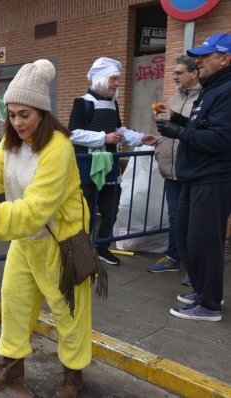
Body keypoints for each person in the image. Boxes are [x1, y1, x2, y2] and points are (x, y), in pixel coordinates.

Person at [0, 60, 90, 397]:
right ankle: (11, 367)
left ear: (41, 112)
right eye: (11, 114)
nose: (16, 122)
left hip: (61, 243)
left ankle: (73, 373)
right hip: (27, 243)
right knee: (13, 303)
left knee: (68, 313)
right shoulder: (12, 141)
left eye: (23, 114)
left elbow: (36, 208)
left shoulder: (58, 148)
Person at [157, 34, 231, 322]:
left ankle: (210, 305)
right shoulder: (213, 88)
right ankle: (203, 291)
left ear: (224, 59)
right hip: (196, 176)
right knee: (186, 237)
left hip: (212, 178)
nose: (198, 60)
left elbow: (221, 138)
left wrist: (178, 133)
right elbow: (204, 125)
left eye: (206, 55)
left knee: (204, 242)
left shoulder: (226, 90)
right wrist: (179, 120)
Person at [68, 57, 157, 266]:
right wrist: (103, 138)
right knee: (85, 211)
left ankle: (102, 248)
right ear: (101, 79)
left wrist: (141, 138)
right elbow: (72, 134)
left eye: (117, 79)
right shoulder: (82, 103)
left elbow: (119, 131)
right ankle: (82, 251)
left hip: (109, 165)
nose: (117, 83)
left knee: (111, 209)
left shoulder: (113, 103)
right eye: (113, 79)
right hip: (86, 165)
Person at [148, 55, 201, 285]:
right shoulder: (175, 97)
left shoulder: (204, 99)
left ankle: (194, 265)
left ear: (194, 73)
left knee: (194, 219)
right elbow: (168, 128)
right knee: (175, 216)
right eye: (174, 73)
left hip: (191, 168)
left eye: (179, 73)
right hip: (170, 167)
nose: (175, 77)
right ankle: (173, 256)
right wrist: (157, 140)